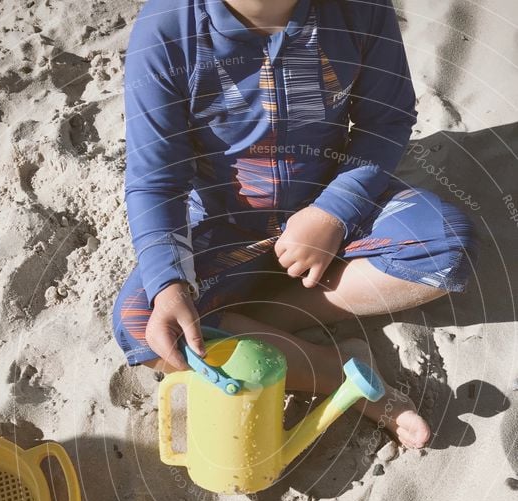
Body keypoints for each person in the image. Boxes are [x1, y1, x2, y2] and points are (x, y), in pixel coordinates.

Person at [113, 0, 478, 448]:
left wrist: (333, 213)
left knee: (445, 245)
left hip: (328, 194)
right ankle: (338, 374)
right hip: (221, 220)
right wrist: (169, 284)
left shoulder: (359, 8)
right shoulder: (168, 25)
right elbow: (155, 181)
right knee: (142, 321)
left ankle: (261, 321)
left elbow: (386, 120)